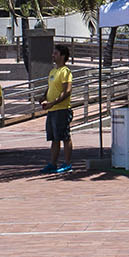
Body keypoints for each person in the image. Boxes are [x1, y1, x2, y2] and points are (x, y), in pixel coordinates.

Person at [39, 44, 74, 174]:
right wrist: (43, 97)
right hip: (52, 111)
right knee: (54, 138)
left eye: (56, 53)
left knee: (65, 137)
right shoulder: (53, 71)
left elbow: (67, 91)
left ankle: (67, 164)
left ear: (62, 56)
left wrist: (53, 103)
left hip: (62, 110)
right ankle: (52, 164)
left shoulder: (65, 71)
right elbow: (50, 87)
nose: (53, 55)